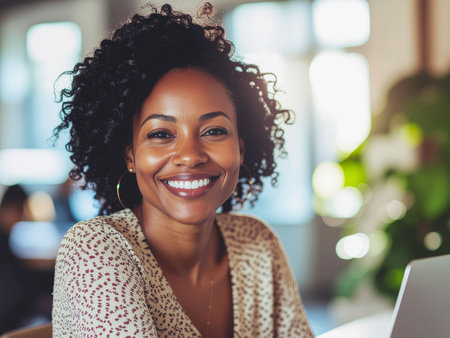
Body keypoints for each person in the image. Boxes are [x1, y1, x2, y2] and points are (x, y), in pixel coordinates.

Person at [52, 3, 313, 337]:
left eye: (214, 131)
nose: (189, 156)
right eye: (161, 134)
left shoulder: (256, 243)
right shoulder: (96, 250)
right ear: (130, 155)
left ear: (241, 146)